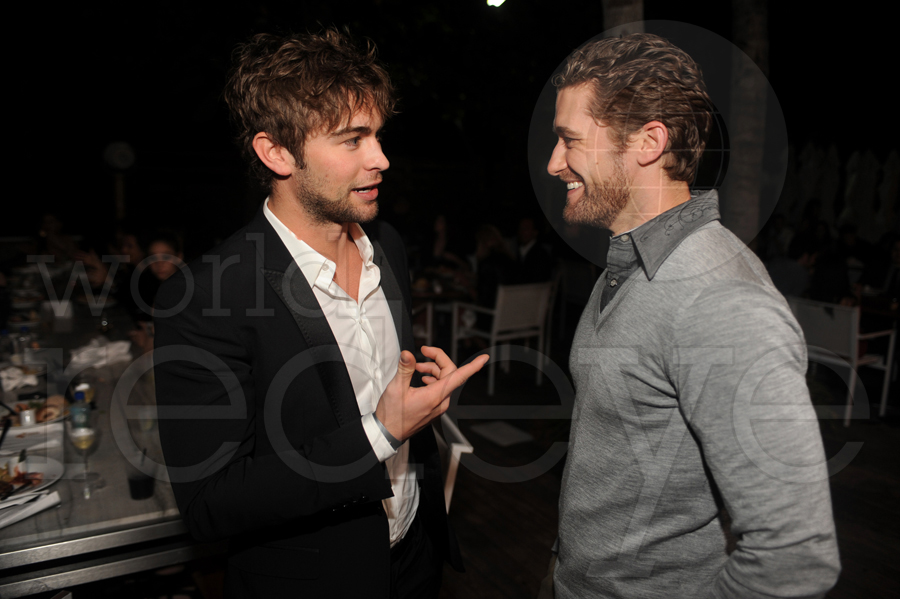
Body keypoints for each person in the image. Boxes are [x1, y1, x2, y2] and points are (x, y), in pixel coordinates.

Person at [153, 29, 487, 599]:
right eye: (352, 140)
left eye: (377, 136)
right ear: (276, 152)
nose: (381, 158)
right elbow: (211, 504)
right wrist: (381, 431)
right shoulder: (209, 294)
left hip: (415, 555)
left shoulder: (389, 247)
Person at [542, 33, 840, 598]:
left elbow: (793, 559)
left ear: (649, 142)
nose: (555, 163)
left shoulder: (719, 300)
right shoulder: (624, 264)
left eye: (569, 141)